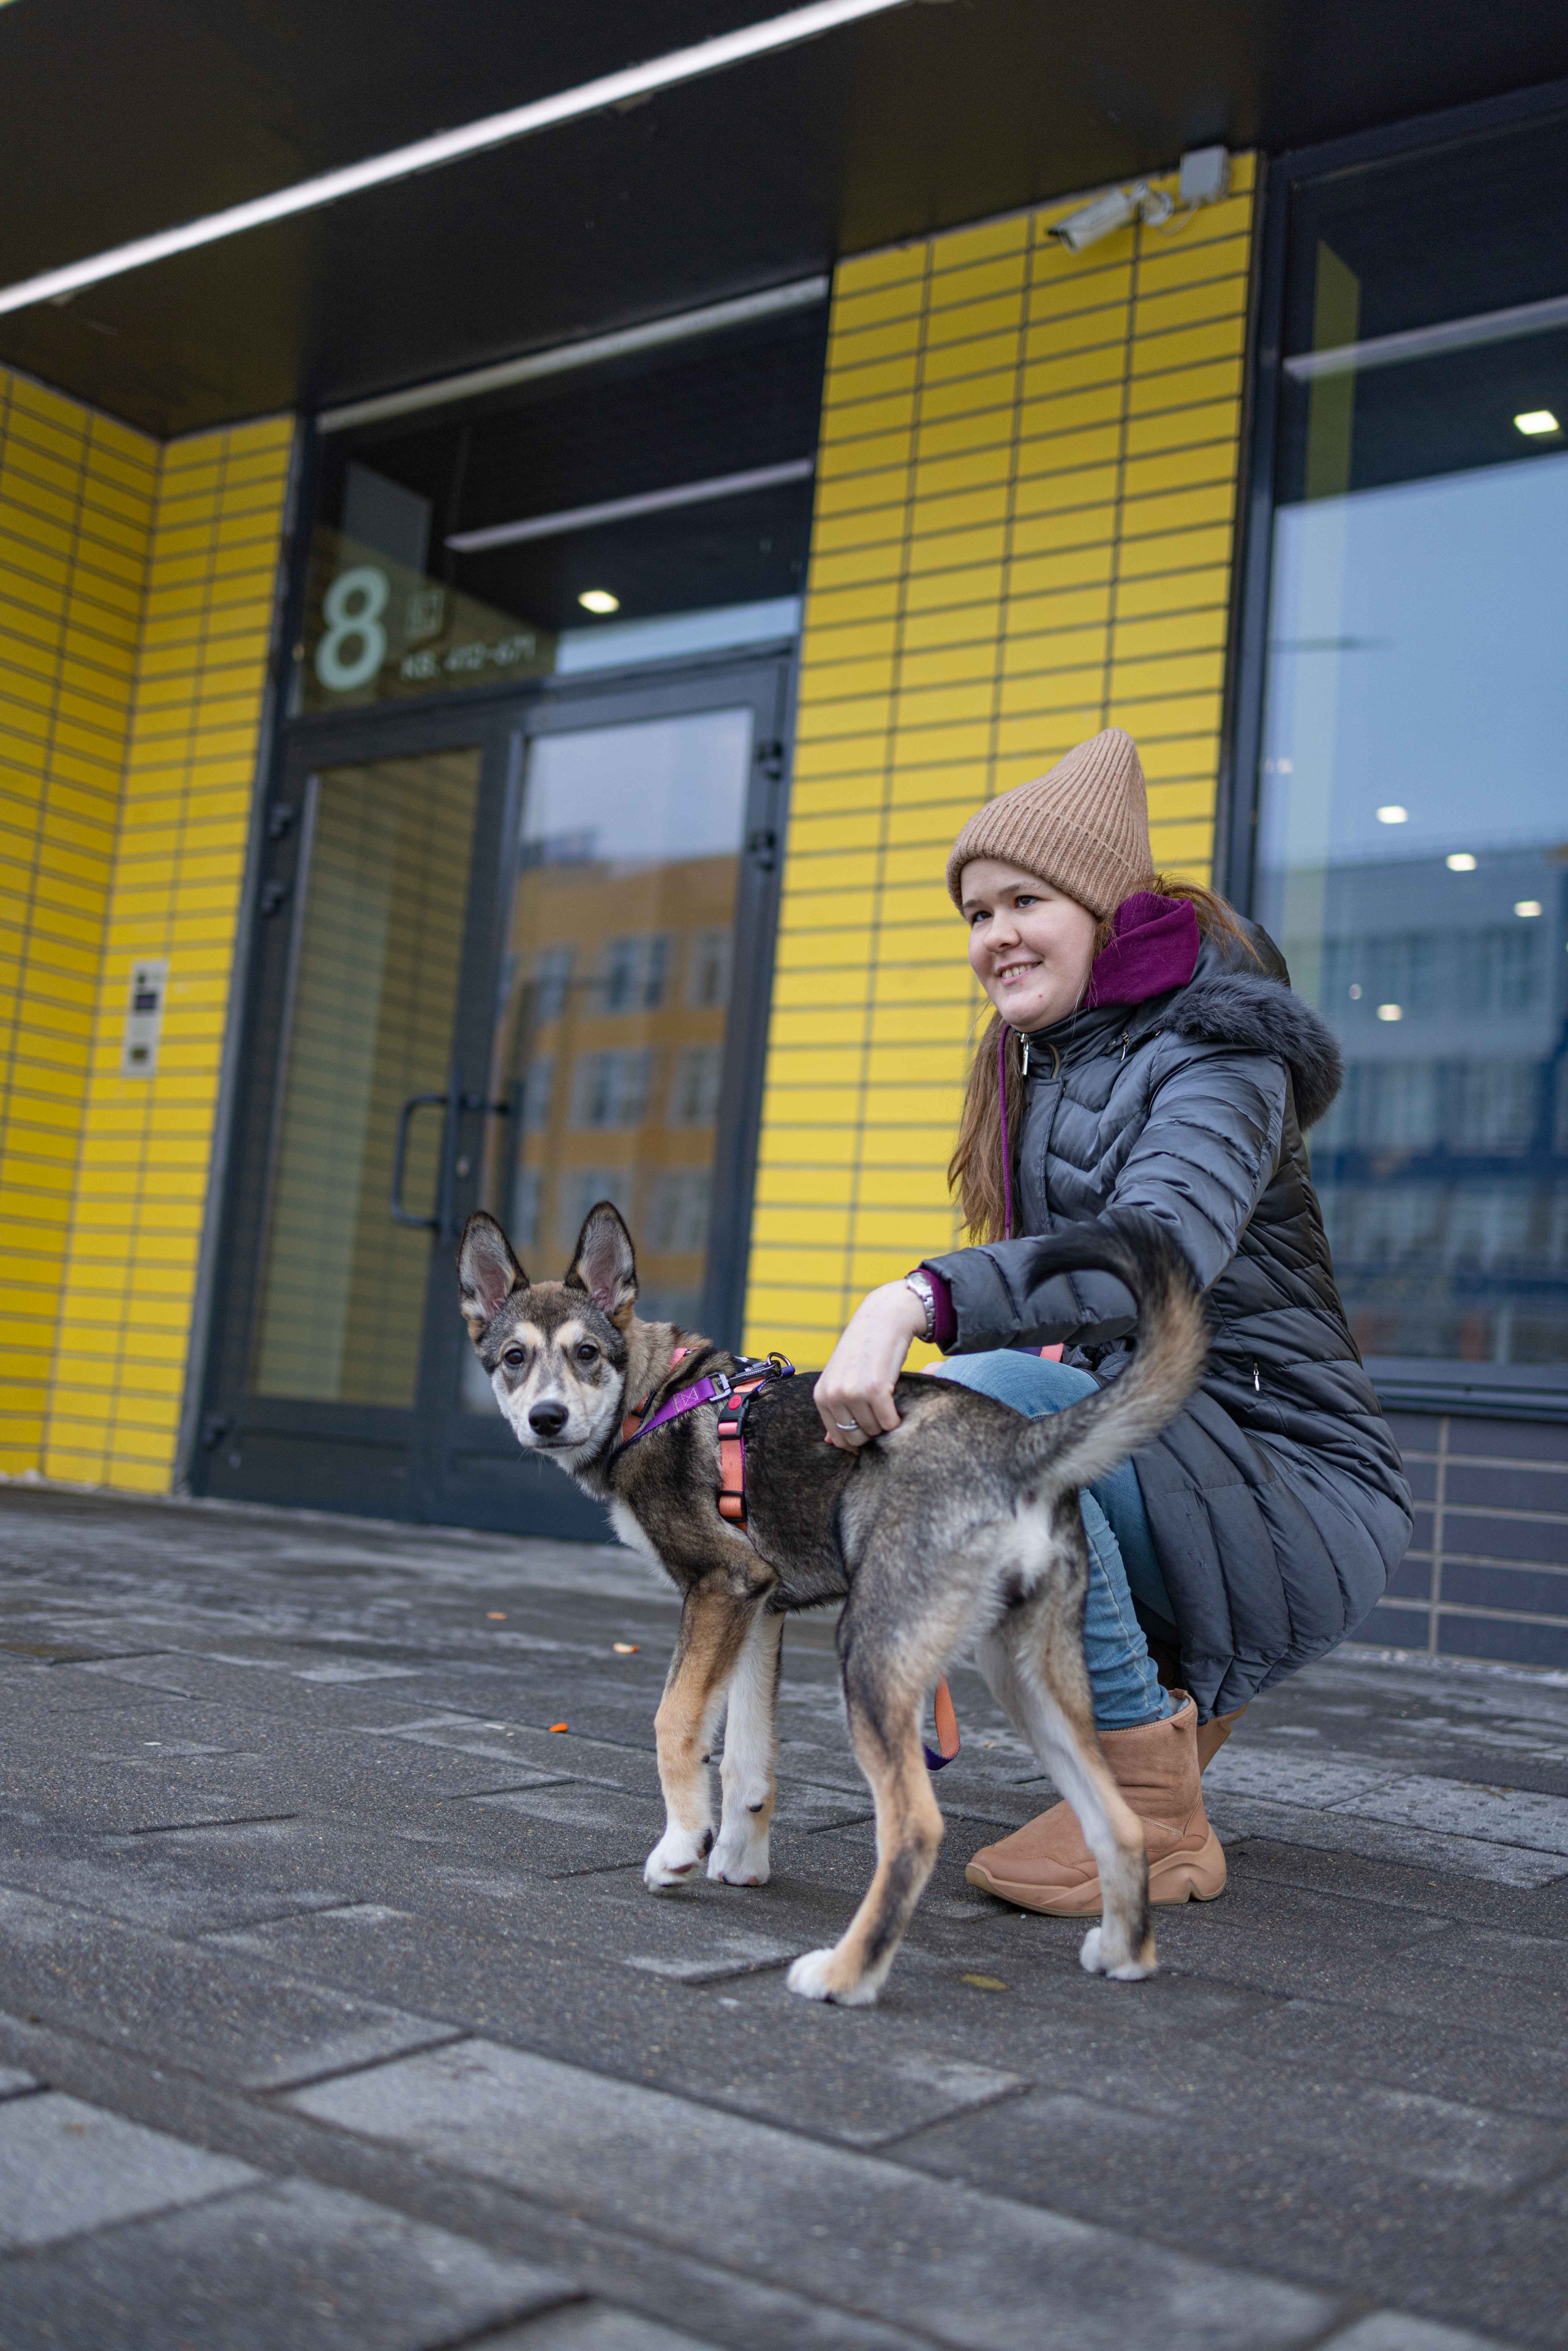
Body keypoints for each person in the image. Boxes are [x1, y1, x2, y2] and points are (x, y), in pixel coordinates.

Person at [812, 727, 1412, 1916]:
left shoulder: (1216, 1050)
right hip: (1188, 1463)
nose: (992, 936)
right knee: (946, 1432)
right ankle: (1163, 1732)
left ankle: (1145, 1795)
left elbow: (1150, 1259)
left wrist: (914, 1299)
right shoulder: (1049, 1061)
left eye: (1022, 898)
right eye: (974, 913)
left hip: (1289, 1482)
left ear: (1102, 907)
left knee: (971, 1409)